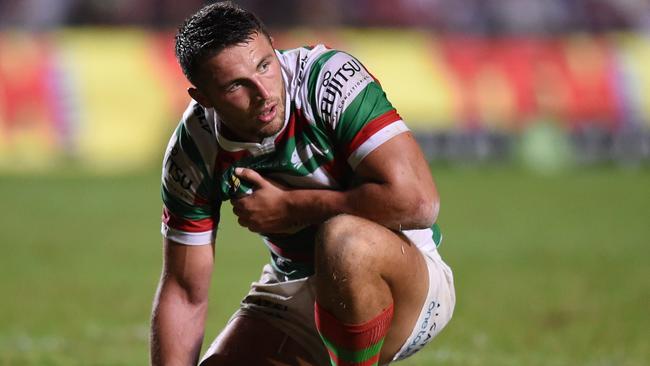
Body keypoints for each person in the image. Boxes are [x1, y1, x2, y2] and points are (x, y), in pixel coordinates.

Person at [150, 2, 455, 365]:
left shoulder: (328, 80)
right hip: (294, 289)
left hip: (405, 280)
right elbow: (185, 292)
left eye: (265, 65)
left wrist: (293, 207)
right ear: (203, 98)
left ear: (273, 45)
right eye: (236, 85)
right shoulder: (193, 150)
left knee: (344, 242)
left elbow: (418, 202)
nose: (263, 92)